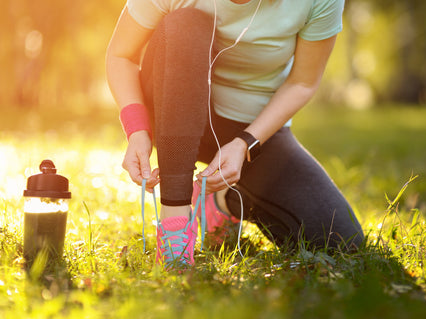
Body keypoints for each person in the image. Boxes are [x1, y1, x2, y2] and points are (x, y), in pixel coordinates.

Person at [106, 0, 364, 268]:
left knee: (343, 241)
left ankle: (220, 202)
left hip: (255, 128)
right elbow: (121, 55)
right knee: (186, 24)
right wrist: (137, 130)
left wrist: (245, 143)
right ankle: (175, 228)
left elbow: (303, 82)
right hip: (173, 107)